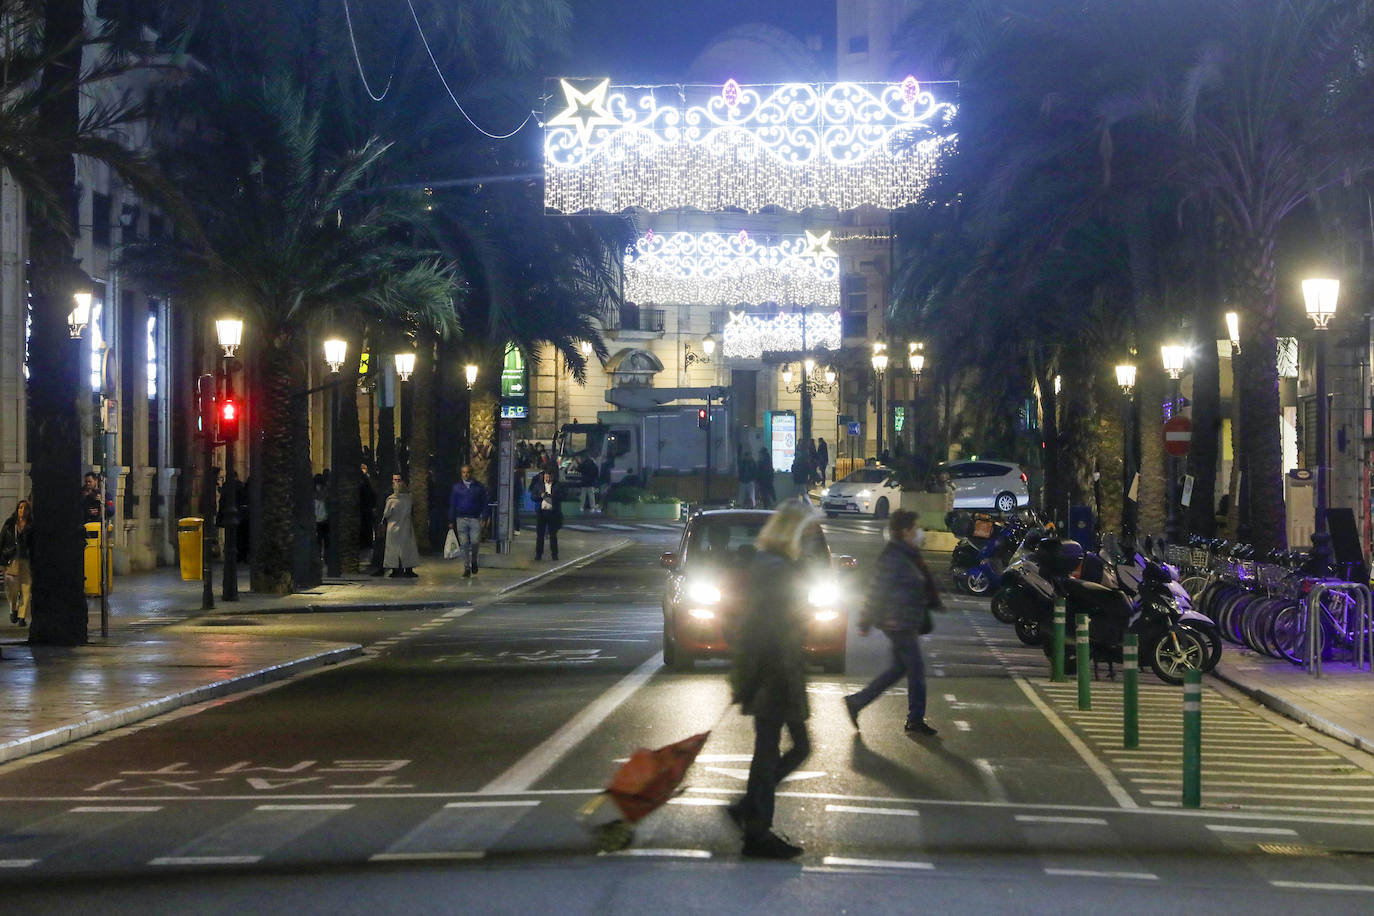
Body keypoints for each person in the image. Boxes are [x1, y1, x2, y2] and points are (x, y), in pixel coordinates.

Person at [727, 500, 819, 859]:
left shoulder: (771, 564)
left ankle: (749, 810)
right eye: (806, 531)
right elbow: (772, 628)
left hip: (773, 671)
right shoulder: (778, 569)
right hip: (775, 674)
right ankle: (756, 831)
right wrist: (769, 677)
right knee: (769, 753)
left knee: (788, 748)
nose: (809, 537)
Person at [844, 509, 941, 736]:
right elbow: (877, 590)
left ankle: (857, 702)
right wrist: (865, 620)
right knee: (916, 670)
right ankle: (915, 718)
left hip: (904, 620)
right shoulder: (894, 557)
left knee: (898, 669)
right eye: (915, 528)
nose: (918, 533)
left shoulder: (907, 554)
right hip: (898, 623)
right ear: (905, 531)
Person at [449, 464, 488, 577]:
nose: (466, 475)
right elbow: (453, 504)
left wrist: (485, 517)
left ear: (471, 473)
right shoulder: (456, 488)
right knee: (464, 544)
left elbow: (484, 503)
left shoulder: (479, 487)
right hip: (461, 519)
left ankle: (474, 560)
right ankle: (466, 567)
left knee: (475, 542)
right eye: (464, 472)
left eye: (468, 472)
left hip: (475, 518)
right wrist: (451, 519)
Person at [1, 499, 34, 626]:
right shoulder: (10, 524)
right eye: (21, 507)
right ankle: (13, 609)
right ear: (17, 509)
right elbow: (2, 540)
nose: (23, 510)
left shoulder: (31, 525)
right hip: (12, 559)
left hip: (26, 560)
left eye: (25, 508)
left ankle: (22, 616)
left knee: (26, 590)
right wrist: (2, 561)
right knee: (12, 589)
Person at [381, 473, 419, 578]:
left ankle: (395, 569)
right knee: (408, 548)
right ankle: (408, 569)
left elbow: (386, 514)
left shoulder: (391, 500)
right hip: (406, 526)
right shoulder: (409, 499)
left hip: (393, 527)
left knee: (393, 550)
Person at [530, 470, 565, 561]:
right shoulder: (539, 485)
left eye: (549, 477)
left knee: (553, 535)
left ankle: (554, 554)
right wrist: (540, 496)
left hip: (553, 512)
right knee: (540, 535)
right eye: (546, 476)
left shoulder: (557, 486)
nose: (547, 478)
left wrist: (553, 496)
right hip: (541, 512)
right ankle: (538, 554)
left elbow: (563, 496)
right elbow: (533, 496)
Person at [359, 462, 376, 553]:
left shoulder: (363, 485)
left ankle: (365, 544)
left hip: (364, 509)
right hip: (367, 509)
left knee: (365, 527)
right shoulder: (367, 484)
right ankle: (367, 543)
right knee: (367, 527)